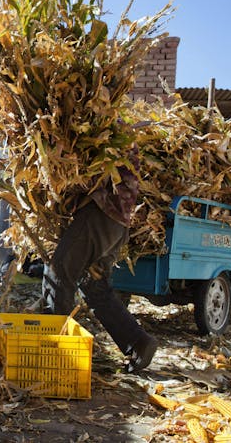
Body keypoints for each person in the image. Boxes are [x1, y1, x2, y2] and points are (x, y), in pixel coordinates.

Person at [42, 146, 158, 373]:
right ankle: (138, 342)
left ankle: (54, 352)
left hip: (99, 214)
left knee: (59, 272)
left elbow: (81, 170)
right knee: (94, 285)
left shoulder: (104, 127)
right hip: (118, 223)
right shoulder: (123, 136)